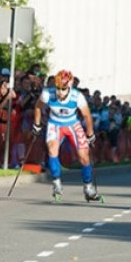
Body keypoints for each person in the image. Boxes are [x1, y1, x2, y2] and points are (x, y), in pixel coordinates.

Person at [33, 70, 100, 202]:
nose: (60, 92)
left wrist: (90, 133)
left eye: (63, 89)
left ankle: (88, 187)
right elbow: (38, 107)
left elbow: (86, 115)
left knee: (84, 157)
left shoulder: (77, 96)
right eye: (58, 88)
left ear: (69, 87)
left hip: (73, 124)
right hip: (54, 123)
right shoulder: (47, 93)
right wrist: (36, 124)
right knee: (52, 150)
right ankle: (57, 184)